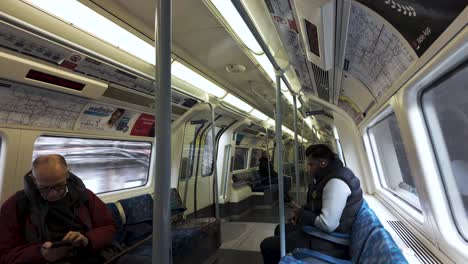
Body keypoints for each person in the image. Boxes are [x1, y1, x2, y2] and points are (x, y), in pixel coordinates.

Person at [0, 154, 151, 264]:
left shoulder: (85, 196)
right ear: (34, 180)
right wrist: (40, 254)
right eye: (45, 189)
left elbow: (109, 227)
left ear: (67, 174)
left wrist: (88, 240)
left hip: (91, 254)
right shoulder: (16, 205)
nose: (53, 194)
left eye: (59, 186)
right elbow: (5, 254)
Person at [260, 144, 363, 263]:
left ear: (323, 163)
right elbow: (320, 204)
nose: (308, 169)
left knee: (267, 245)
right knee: (280, 229)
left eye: (311, 165)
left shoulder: (335, 183)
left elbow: (328, 224)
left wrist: (302, 213)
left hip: (332, 241)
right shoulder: (331, 175)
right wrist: (302, 212)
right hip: (328, 233)